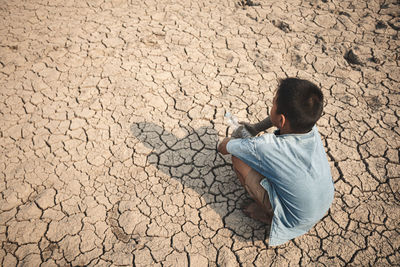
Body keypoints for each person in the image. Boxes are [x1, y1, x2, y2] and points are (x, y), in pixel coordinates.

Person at [218, 78, 334, 246]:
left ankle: (269, 214)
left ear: (282, 120)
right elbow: (277, 121)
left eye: (273, 104)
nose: (271, 106)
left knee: (238, 159)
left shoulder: (266, 146)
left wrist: (230, 140)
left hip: (294, 220)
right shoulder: (310, 129)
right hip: (321, 205)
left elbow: (225, 147)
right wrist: (256, 128)